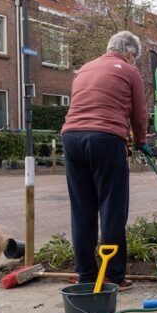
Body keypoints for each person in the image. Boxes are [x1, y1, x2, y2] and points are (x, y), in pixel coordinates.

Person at [61, 31, 149, 291]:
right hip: (105, 139)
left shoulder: (84, 69)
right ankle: (113, 275)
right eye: (135, 58)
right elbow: (139, 113)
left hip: (71, 138)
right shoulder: (129, 72)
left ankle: (86, 275)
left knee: (82, 208)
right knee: (112, 208)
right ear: (130, 53)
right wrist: (141, 141)